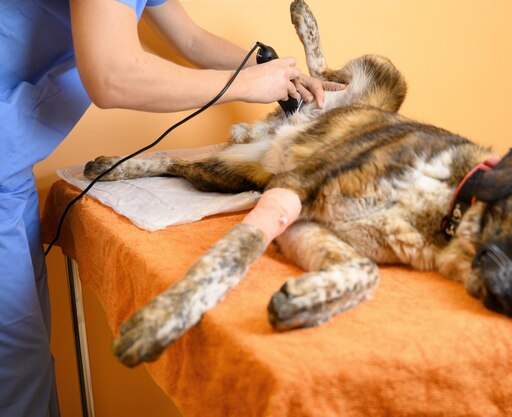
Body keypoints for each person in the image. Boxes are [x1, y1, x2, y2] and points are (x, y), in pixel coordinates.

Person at [0, 0, 343, 415]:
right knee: (15, 368)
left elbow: (189, 39)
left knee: (26, 355)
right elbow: (113, 77)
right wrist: (247, 86)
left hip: (11, 166)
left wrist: (276, 72)